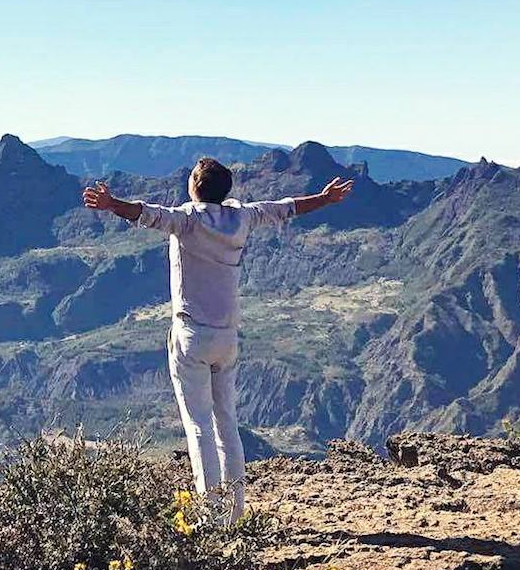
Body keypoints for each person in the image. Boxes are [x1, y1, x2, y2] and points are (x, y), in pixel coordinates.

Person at [82, 158, 353, 519]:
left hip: (191, 334)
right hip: (227, 338)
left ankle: (210, 515)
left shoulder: (187, 220)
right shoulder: (242, 217)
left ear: (194, 187)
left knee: (199, 426)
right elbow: (286, 209)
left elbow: (145, 214)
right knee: (227, 421)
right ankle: (236, 511)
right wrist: (324, 198)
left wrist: (111, 204)